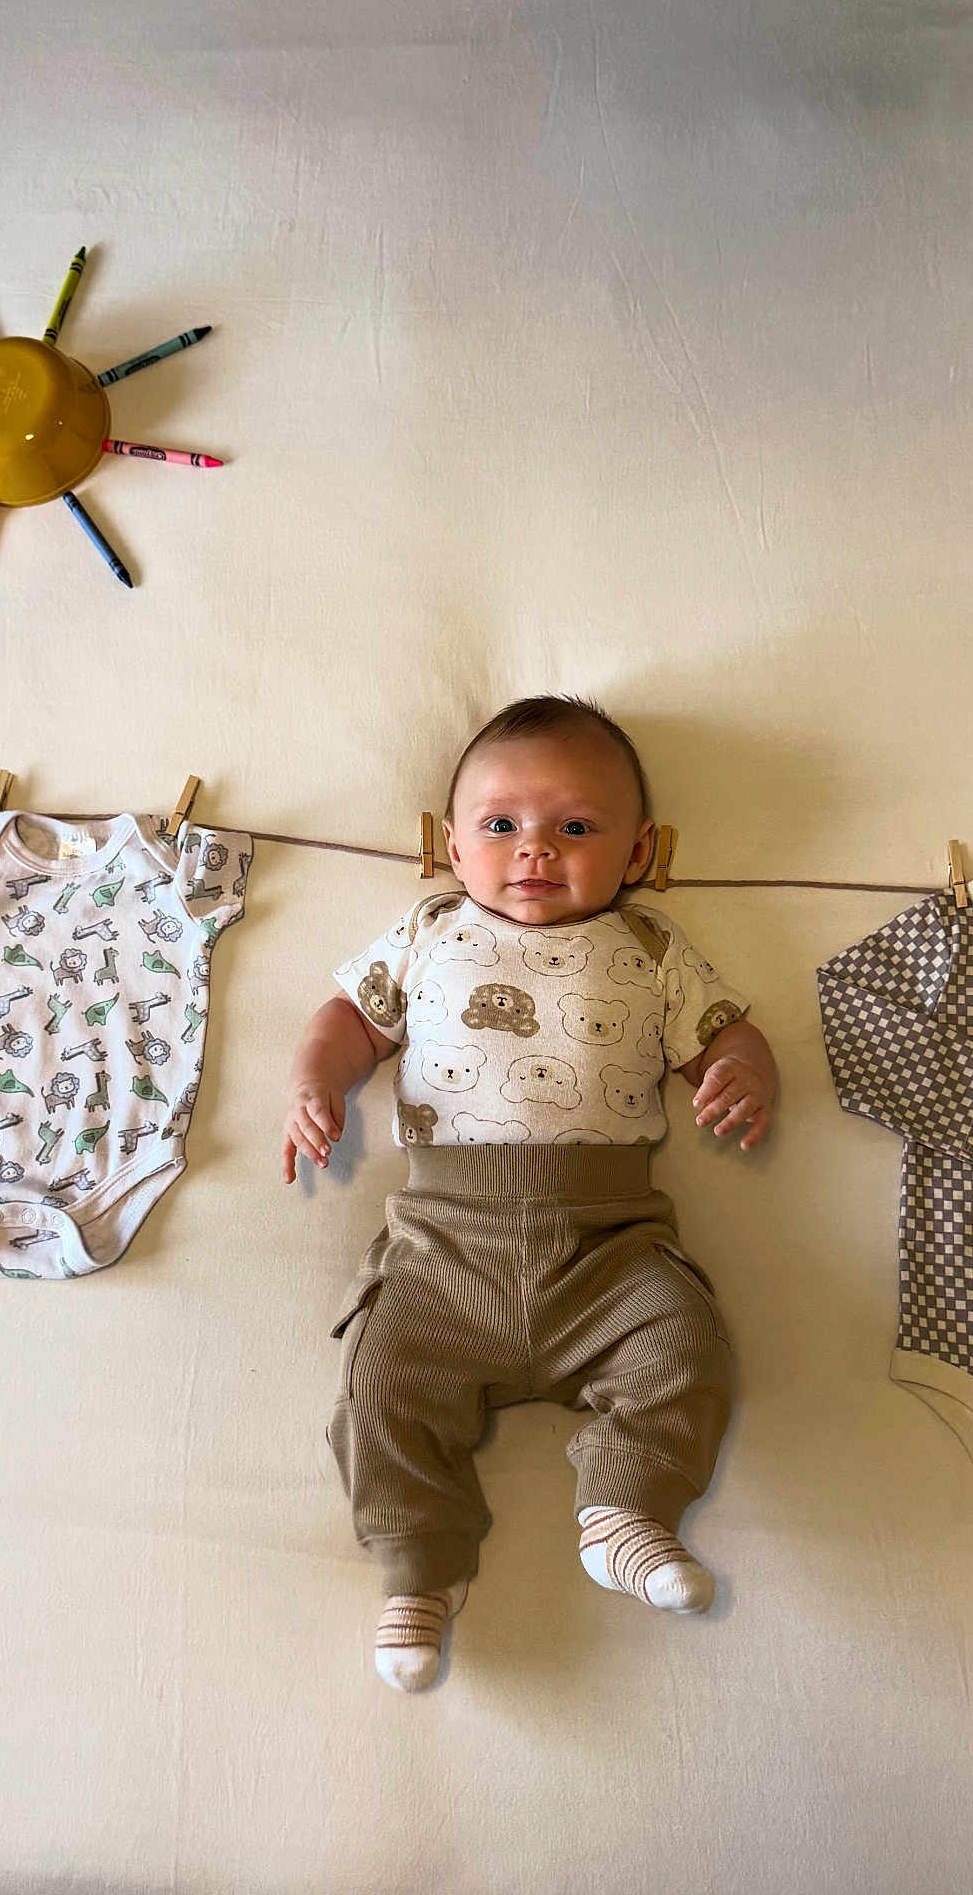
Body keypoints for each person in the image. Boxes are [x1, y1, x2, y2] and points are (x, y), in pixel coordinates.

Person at [282, 696, 778, 1691]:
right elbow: (348, 1017)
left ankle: (624, 1511)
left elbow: (726, 1032)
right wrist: (315, 1081)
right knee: (378, 1390)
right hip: (441, 1255)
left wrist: (744, 1069)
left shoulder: (651, 950)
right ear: (453, 851)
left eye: (576, 828)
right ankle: (418, 1571)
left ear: (640, 853)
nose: (535, 850)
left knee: (687, 1346)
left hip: (610, 1251)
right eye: (501, 826)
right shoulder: (427, 933)